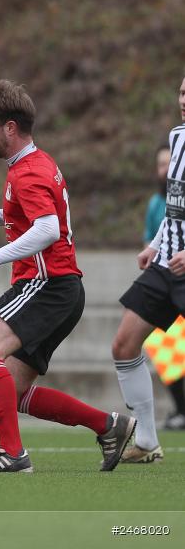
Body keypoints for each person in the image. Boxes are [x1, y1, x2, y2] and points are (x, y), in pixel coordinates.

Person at [0, 79, 134, 473]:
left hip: (46, 285)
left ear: (10, 127)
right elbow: (37, 216)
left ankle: (13, 455)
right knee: (14, 389)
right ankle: (109, 426)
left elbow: (47, 229)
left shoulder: (28, 173)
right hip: (61, 288)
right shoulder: (35, 164)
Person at [112, 75, 185, 463]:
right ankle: (146, 440)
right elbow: (175, 206)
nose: (184, 99)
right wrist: (155, 244)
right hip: (165, 264)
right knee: (124, 345)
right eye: (182, 91)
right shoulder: (177, 137)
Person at [139, 143, 185, 434]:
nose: (165, 170)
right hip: (167, 283)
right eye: (160, 165)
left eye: (170, 163)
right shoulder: (157, 205)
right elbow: (149, 244)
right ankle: (181, 411)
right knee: (162, 345)